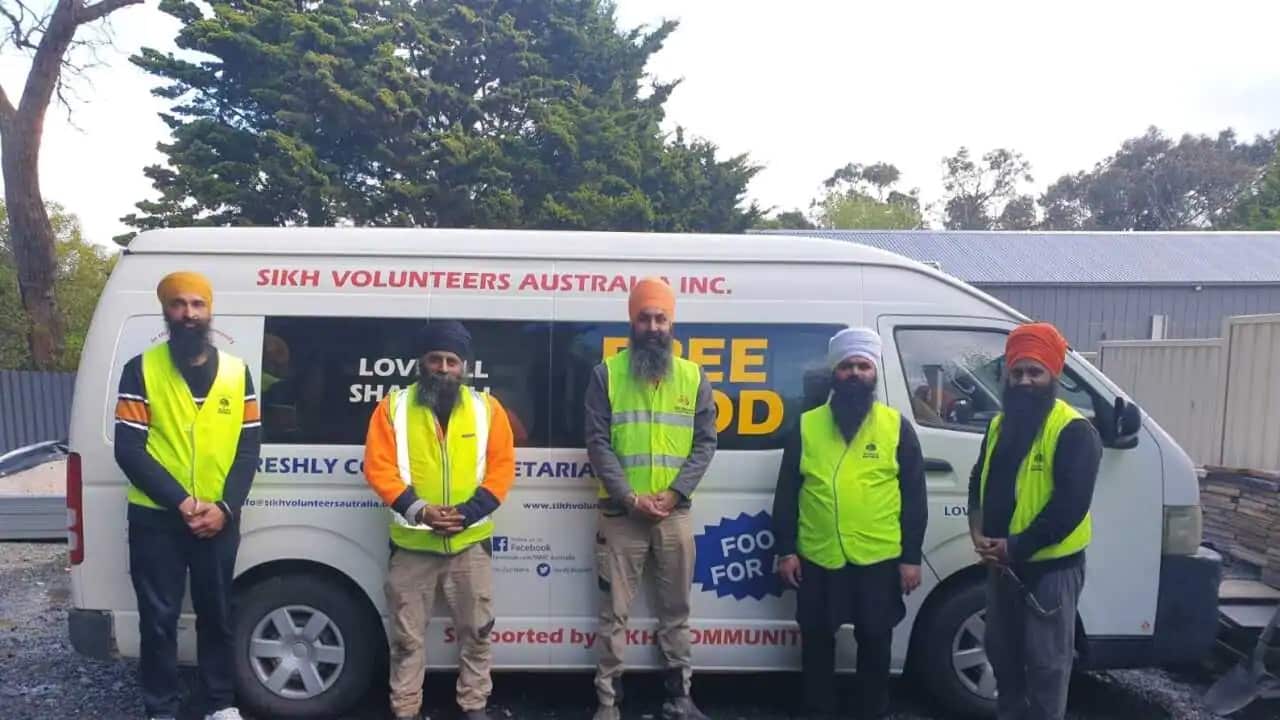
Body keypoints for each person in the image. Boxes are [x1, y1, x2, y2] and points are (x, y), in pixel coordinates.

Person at [113, 271, 261, 720]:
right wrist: (182, 502)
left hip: (219, 519)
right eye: (179, 304)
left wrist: (224, 508)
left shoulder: (238, 373)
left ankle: (220, 704)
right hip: (157, 520)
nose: (189, 313)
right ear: (166, 311)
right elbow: (129, 449)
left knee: (218, 616)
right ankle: (161, 708)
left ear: (209, 310)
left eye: (198, 304)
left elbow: (249, 447)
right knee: (158, 622)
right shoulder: (141, 369)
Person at [362, 320, 516, 720]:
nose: (443, 368)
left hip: (470, 547)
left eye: (451, 360)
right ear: (421, 363)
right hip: (412, 548)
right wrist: (420, 510)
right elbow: (378, 468)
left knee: (478, 636)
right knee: (407, 642)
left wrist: (467, 514)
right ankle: (405, 710)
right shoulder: (392, 408)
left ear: (464, 367)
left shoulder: (488, 410)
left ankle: (474, 706)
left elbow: (502, 470)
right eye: (435, 359)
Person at [772, 327, 928, 719]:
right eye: (846, 366)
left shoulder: (896, 427)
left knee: (875, 641)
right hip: (818, 555)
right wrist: (786, 549)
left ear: (874, 374)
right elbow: (787, 494)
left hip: (877, 557)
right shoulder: (807, 426)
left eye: (862, 365)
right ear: (834, 374)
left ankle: (871, 711)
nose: (854, 373)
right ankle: (818, 710)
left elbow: (915, 498)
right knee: (817, 640)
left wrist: (911, 557)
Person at [584, 277, 716, 720]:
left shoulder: (694, 376)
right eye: (646, 317)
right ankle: (608, 703)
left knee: (676, 612)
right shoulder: (606, 374)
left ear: (672, 323)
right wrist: (630, 497)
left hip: (674, 514)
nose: (654, 326)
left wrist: (675, 492)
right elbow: (597, 442)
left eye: (662, 318)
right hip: (621, 515)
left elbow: (705, 443)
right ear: (632, 322)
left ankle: (680, 698)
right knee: (613, 615)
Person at [968, 322, 1101, 720]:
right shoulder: (998, 425)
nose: (1025, 381)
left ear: (1053, 376)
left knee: (1046, 670)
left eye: (1035, 372)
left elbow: (1070, 506)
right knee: (1004, 661)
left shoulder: (1074, 430)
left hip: (1050, 573)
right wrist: (976, 530)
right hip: (1002, 569)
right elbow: (979, 478)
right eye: (1018, 372)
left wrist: (1015, 546)